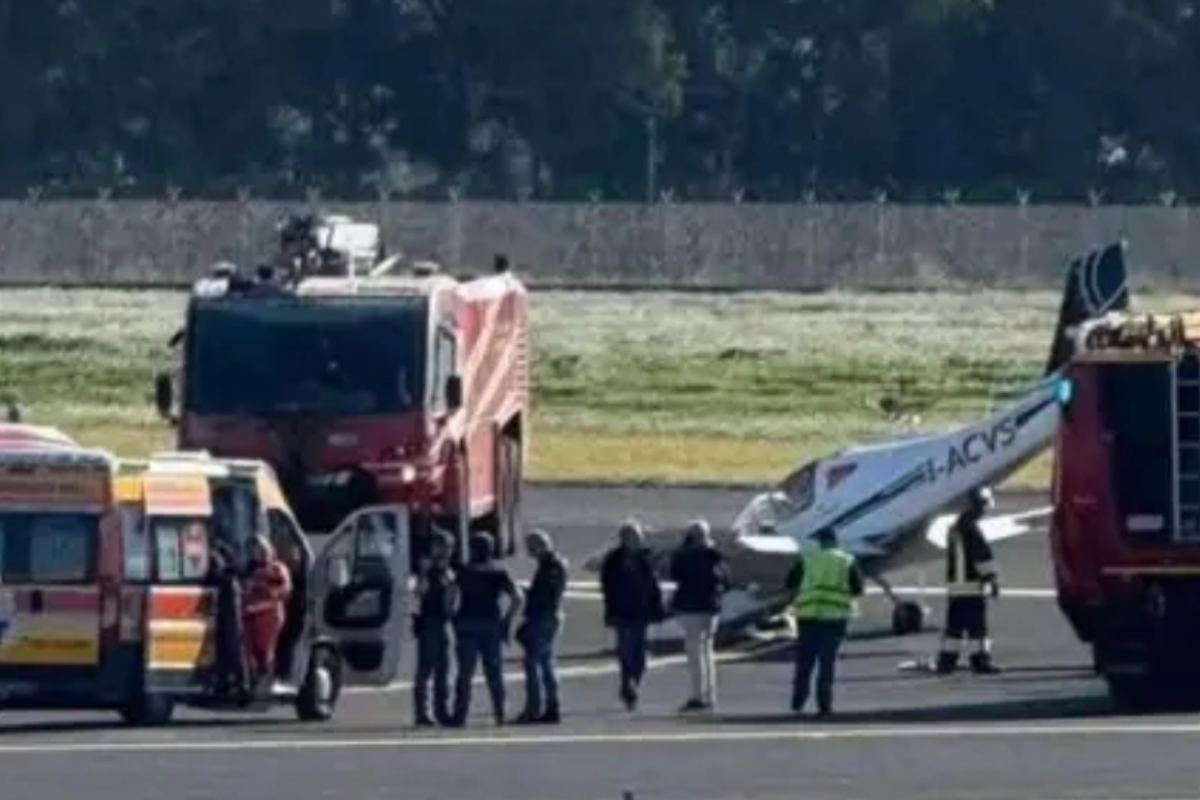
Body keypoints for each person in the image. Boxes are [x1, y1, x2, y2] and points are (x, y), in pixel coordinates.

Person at [785, 526, 864, 718]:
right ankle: (824, 706)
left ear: (820, 542)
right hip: (835, 618)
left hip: (808, 616)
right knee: (826, 664)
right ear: (835, 541)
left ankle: (798, 702)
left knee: (805, 663)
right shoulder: (846, 560)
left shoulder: (808, 558)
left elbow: (790, 582)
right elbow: (858, 588)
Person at [449, 532, 523, 727]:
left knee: (465, 674)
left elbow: (450, 597)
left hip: (467, 624)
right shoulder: (498, 572)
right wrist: (507, 619)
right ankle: (500, 713)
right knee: (494, 673)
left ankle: (460, 715)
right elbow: (518, 597)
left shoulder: (464, 571)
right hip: (491, 625)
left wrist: (452, 616)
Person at [599, 519, 665, 711]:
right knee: (625, 650)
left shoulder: (647, 558)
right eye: (629, 536)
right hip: (622, 612)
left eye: (636, 536)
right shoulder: (613, 560)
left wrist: (657, 609)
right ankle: (628, 685)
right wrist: (610, 609)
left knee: (641, 655)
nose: (633, 540)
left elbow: (654, 586)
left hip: (642, 612)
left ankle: (633, 682)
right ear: (622, 538)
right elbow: (607, 586)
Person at [935, 487, 1002, 675]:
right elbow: (982, 557)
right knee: (977, 629)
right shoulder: (972, 529)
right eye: (982, 506)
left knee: (954, 629)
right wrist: (992, 580)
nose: (983, 511)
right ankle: (980, 662)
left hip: (956, 588)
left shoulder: (955, 529)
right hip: (972, 587)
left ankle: (946, 662)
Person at [669, 519, 729, 712]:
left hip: (690, 608)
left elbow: (674, 574)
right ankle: (710, 695)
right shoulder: (715, 556)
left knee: (694, 654)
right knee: (707, 652)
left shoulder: (682, 556)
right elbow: (727, 579)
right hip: (710, 608)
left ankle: (697, 695)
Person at [515, 529, 568, 724]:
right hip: (546, 617)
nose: (529, 551)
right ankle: (550, 706)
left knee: (534, 664)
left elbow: (549, 595)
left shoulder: (552, 566)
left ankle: (534, 708)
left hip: (543, 618)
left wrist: (531, 595)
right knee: (545, 664)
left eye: (531, 547)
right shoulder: (550, 565)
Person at [412, 528, 459, 727]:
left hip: (445, 623)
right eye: (443, 546)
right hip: (432, 621)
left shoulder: (448, 572)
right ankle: (423, 712)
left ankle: (442, 711)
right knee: (426, 669)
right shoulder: (431, 572)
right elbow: (419, 592)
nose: (447, 551)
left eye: (449, 547)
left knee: (444, 669)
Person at [241, 535, 293, 687]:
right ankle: (250, 679)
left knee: (265, 651)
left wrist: (265, 591)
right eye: (253, 550)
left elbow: (284, 590)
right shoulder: (248, 569)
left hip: (270, 615)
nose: (256, 553)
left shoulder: (276, 568)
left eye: (260, 549)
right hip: (249, 615)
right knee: (247, 649)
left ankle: (266, 681)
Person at [207, 541, 248, 697]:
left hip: (229, 604)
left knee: (233, 644)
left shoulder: (227, 578)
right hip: (225, 605)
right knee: (225, 645)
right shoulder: (223, 552)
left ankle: (241, 683)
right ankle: (227, 681)